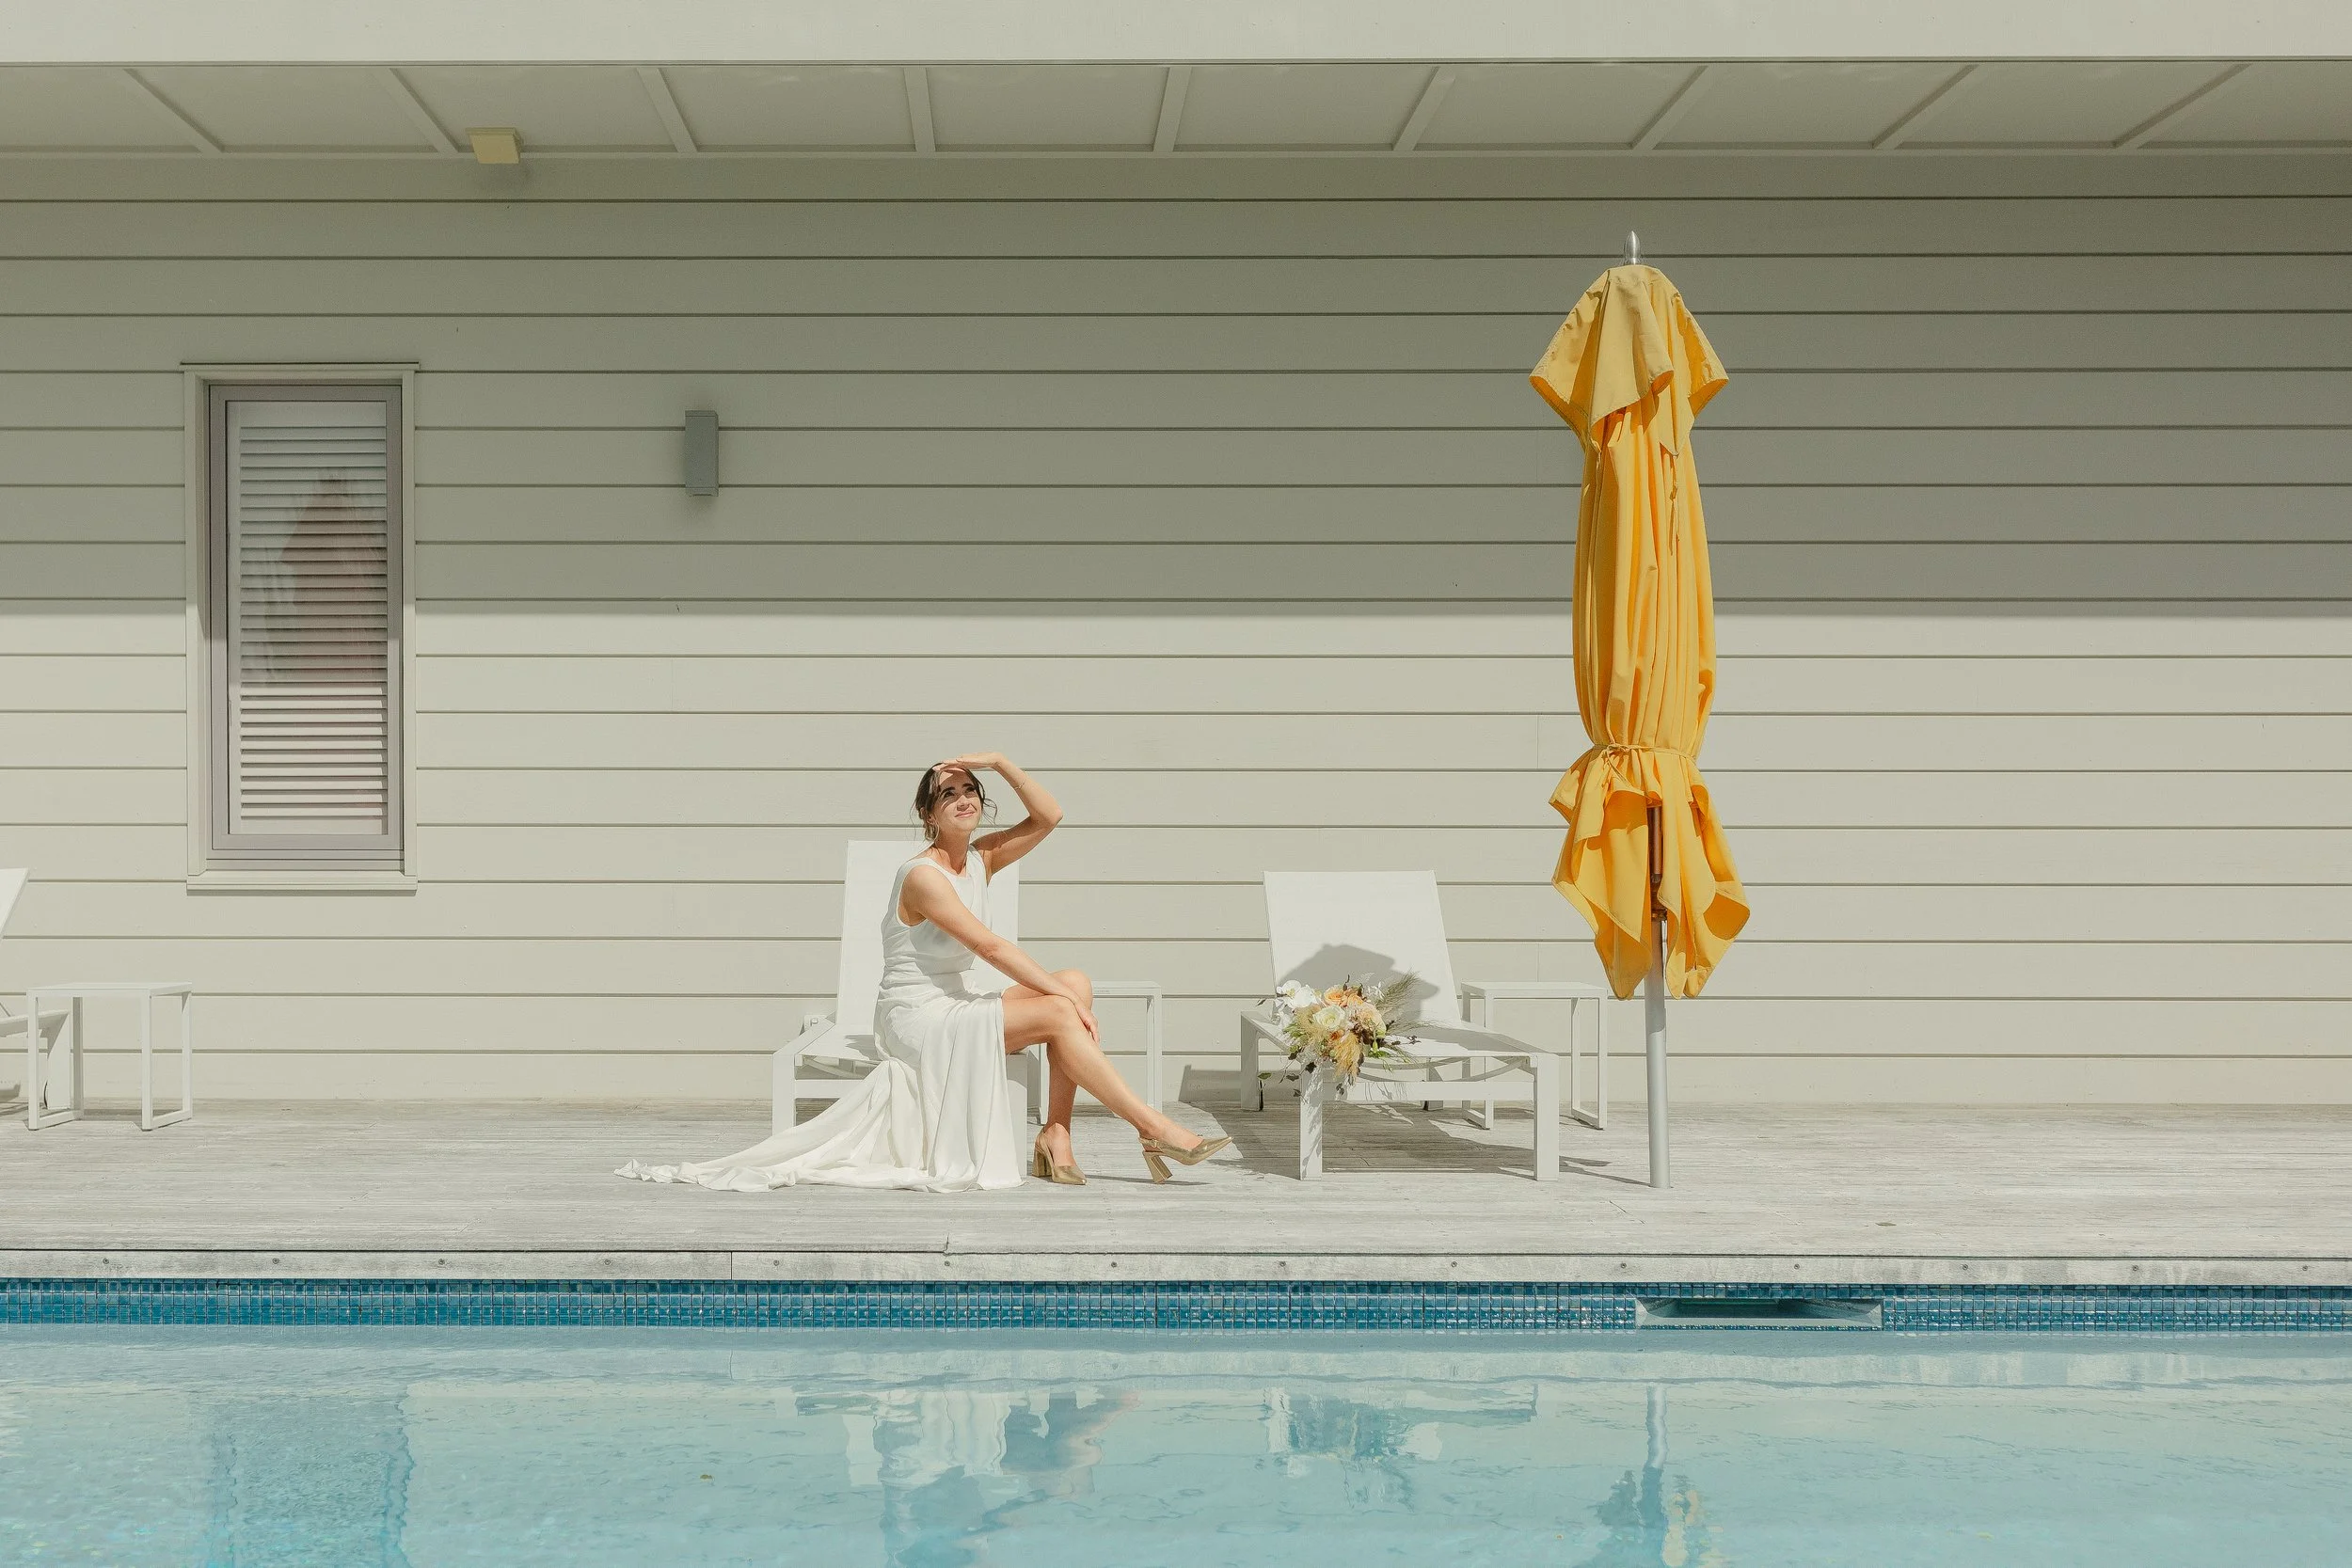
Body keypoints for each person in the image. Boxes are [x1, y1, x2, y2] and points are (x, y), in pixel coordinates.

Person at [617, 752, 1226, 1191]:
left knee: (1076, 983)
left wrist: (1000, 763)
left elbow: (1049, 815)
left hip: (956, 999)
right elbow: (988, 945)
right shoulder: (922, 876)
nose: (964, 798)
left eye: (971, 791)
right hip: (916, 1019)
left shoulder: (981, 857)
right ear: (928, 813)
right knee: (1061, 1004)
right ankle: (1153, 1127)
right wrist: (1063, 1007)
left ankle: (1055, 1136)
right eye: (948, 793)